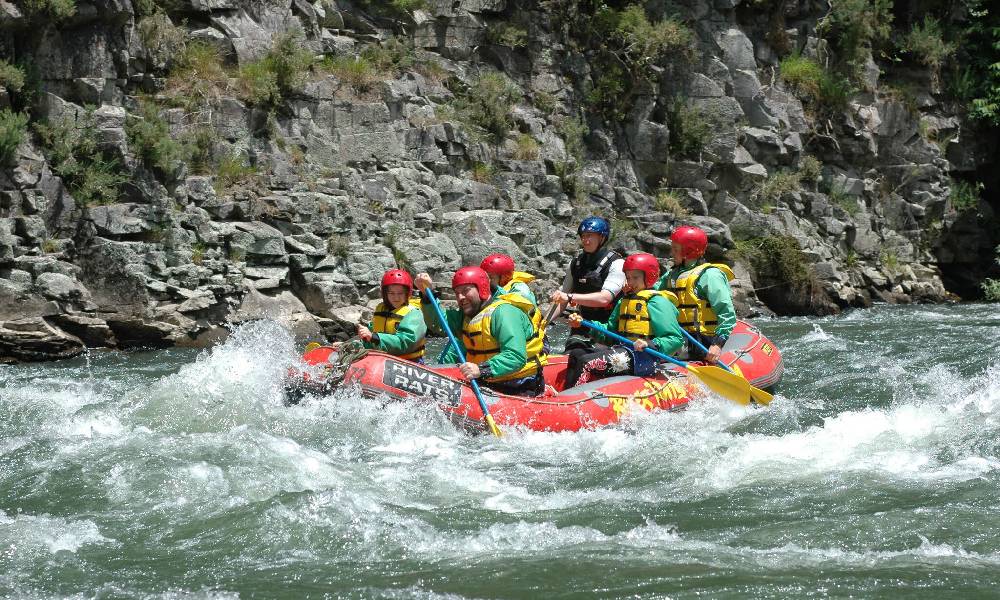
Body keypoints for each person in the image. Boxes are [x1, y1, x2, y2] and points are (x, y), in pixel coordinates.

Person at [415, 267, 547, 397]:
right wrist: (427, 294)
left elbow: (515, 356)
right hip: (487, 380)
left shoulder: (505, 312)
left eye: (466, 291)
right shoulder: (467, 316)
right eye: (457, 293)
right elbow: (439, 323)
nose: (460, 297)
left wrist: (481, 369)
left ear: (482, 289)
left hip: (520, 384)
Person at [565, 253, 684, 388]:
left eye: (635, 277)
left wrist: (650, 344)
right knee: (576, 354)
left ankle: (572, 400)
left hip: (643, 358)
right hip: (621, 351)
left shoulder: (657, 301)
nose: (630, 282)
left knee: (588, 362)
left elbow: (675, 339)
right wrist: (585, 325)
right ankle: (565, 393)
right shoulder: (624, 301)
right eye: (628, 277)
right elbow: (609, 333)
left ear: (649, 276)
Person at [654, 225, 735, 364]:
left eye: (675, 249)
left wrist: (717, 344)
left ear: (688, 251)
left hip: (702, 341)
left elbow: (726, 313)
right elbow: (652, 292)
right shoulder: (672, 275)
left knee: (652, 351)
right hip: (679, 337)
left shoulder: (710, 275)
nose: (671, 253)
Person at [549, 217, 626, 326]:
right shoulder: (576, 263)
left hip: (609, 328)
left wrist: (570, 297)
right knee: (574, 343)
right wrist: (543, 322)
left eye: (589, 235)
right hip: (582, 322)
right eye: (583, 236)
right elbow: (562, 300)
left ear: (602, 237)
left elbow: (605, 299)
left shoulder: (617, 263)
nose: (585, 240)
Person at [342, 269, 427, 361]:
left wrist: (374, 337)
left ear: (407, 293)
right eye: (391, 293)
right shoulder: (381, 309)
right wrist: (347, 345)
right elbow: (370, 338)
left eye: (400, 293)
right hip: (382, 360)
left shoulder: (413, 313)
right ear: (385, 294)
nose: (396, 297)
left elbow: (406, 342)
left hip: (409, 362)